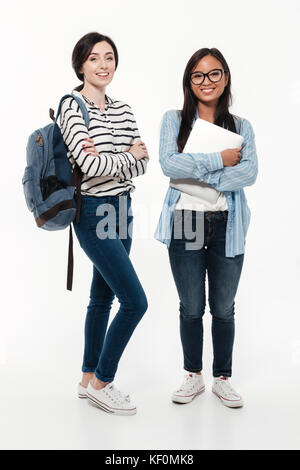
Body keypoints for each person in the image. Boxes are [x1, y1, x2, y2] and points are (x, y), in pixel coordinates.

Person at [154, 47, 258, 408]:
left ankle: (223, 378)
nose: (206, 81)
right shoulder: (173, 120)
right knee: (192, 307)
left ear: (225, 78)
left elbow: (249, 173)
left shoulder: (241, 126)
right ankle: (193, 376)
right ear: (189, 82)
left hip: (227, 223)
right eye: (198, 75)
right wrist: (220, 160)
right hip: (186, 221)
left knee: (224, 307)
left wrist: (195, 167)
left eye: (214, 74)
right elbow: (169, 164)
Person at [59, 32, 149, 415]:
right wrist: (125, 155)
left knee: (103, 298)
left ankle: (86, 379)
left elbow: (144, 161)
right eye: (94, 58)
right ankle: (103, 381)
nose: (103, 65)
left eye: (109, 57)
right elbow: (89, 165)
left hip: (123, 209)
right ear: (81, 64)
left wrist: (119, 157)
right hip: (92, 210)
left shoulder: (124, 108)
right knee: (135, 302)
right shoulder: (70, 105)